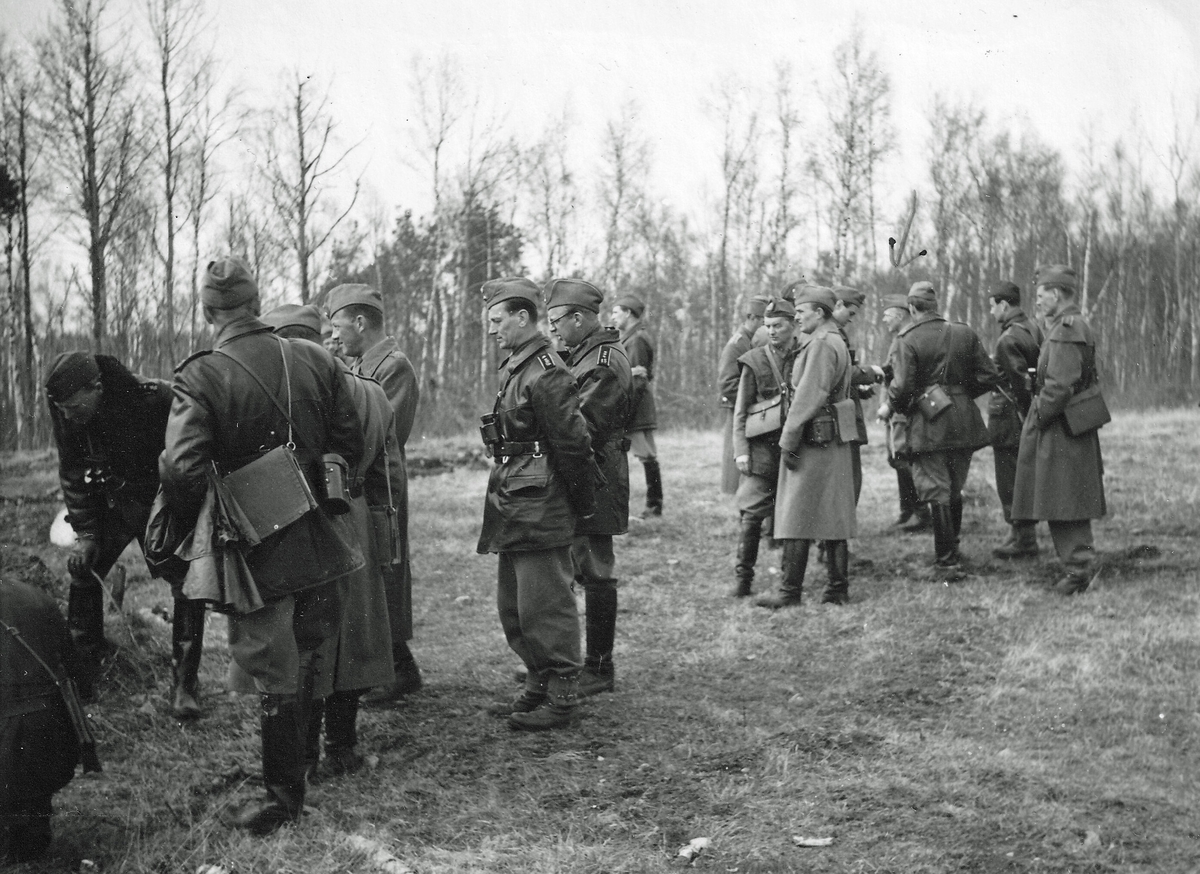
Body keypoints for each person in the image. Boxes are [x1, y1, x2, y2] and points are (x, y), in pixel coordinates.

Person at [160, 258, 364, 834]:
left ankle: (282, 797)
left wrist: (202, 519)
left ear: (207, 313)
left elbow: (181, 468)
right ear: (255, 302)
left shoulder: (200, 375)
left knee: (272, 664)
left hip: (254, 543)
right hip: (320, 533)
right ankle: (302, 765)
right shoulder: (317, 358)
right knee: (311, 648)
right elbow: (348, 442)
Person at [261, 304, 396, 779]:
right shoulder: (372, 393)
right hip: (354, 521)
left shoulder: (279, 393)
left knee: (303, 641)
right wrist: (384, 539)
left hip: (293, 522)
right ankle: (342, 746)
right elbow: (386, 474)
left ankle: (301, 754)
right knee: (353, 640)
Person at [45, 351, 207, 715]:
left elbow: (187, 457)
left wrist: (181, 513)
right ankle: (82, 681)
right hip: (109, 505)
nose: (68, 415)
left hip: (159, 503)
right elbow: (72, 472)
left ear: (97, 388)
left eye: (73, 406)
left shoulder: (154, 399)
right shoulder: (65, 408)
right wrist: (86, 534)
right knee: (84, 572)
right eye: (62, 408)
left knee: (185, 582)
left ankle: (185, 686)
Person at [478, 277, 596, 731]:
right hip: (514, 498)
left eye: (496, 320)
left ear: (522, 317)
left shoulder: (545, 369)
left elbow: (573, 442)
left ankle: (563, 694)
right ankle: (538, 681)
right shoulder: (518, 365)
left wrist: (578, 504)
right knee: (515, 606)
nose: (491, 330)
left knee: (546, 604)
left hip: (540, 503)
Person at [327, 284, 422, 705]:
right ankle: (393, 663)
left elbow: (384, 432)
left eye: (338, 325)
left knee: (387, 571)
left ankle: (399, 669)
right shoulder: (364, 363)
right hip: (368, 481)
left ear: (361, 322)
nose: (335, 336)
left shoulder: (392, 366)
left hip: (382, 484)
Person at [545, 278, 633, 697]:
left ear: (578, 318)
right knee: (581, 565)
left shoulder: (602, 360)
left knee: (596, 569)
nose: (553, 331)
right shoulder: (583, 354)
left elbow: (584, 424)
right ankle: (580, 663)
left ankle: (600, 667)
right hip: (586, 473)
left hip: (597, 476)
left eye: (556, 322)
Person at [880, 281, 999, 568]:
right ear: (934, 306)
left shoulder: (907, 339)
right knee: (953, 486)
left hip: (928, 423)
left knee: (936, 488)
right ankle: (953, 550)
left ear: (911, 307)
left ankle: (946, 560)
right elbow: (988, 376)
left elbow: (902, 387)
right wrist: (959, 394)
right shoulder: (964, 332)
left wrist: (898, 407)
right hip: (964, 420)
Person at [756, 286, 856, 608]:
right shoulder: (830, 339)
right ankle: (836, 589)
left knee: (796, 513)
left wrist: (788, 440)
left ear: (820, 312)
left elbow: (808, 396)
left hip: (814, 437)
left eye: (801, 311)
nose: (796, 317)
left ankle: (790, 593)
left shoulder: (822, 344)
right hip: (829, 437)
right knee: (833, 513)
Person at [1012, 265, 1107, 595]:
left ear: (1056, 294)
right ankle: (1079, 565)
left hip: (1061, 428)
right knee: (1066, 498)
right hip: (1068, 426)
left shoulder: (1066, 329)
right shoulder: (1068, 326)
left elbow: (1060, 386)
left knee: (1065, 499)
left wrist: (1037, 416)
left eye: (1040, 296)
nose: (1037, 302)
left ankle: (1079, 571)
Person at [0, 579, 91, 862]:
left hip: (10, 742)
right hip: (56, 736)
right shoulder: (36, 595)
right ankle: (29, 836)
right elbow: (77, 673)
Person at [731, 299, 799, 598]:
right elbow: (741, 411)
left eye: (778, 325)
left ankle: (788, 582)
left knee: (794, 513)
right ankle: (743, 580)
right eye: (767, 326)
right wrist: (741, 450)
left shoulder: (805, 355)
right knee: (751, 512)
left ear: (793, 325)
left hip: (797, 447)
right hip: (762, 448)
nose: (771, 331)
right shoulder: (754, 360)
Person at [986, 281, 1044, 559]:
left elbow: (1019, 383)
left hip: (1009, 419)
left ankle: (1024, 540)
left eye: (992, 305)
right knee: (1021, 476)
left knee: (1009, 479)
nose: (991, 311)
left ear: (1004, 305)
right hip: (1024, 416)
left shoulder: (1008, 338)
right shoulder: (1032, 328)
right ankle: (1018, 534)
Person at [878, 294, 929, 531]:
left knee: (902, 458)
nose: (884, 320)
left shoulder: (907, 338)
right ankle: (907, 510)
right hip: (897, 408)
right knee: (896, 458)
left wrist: (889, 405)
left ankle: (920, 512)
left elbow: (903, 380)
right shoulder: (901, 337)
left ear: (899, 315)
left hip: (903, 409)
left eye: (887, 315)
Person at [611, 293, 662, 518]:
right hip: (634, 405)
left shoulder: (636, 340)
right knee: (646, 456)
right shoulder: (629, 338)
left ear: (628, 313)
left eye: (615, 312)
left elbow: (638, 380)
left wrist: (624, 410)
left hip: (636, 407)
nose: (612, 317)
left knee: (646, 456)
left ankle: (654, 505)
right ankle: (654, 505)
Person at [718, 296, 770, 494]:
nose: (766, 327)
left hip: (752, 411)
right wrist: (753, 396)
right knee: (738, 463)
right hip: (739, 410)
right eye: (763, 321)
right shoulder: (737, 344)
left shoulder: (752, 340)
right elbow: (727, 384)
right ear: (751, 318)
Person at [831, 286, 877, 504]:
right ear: (838, 305)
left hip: (845, 411)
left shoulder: (836, 332)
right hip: (840, 414)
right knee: (848, 472)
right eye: (850, 313)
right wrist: (871, 373)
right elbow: (840, 371)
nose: (851, 320)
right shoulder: (830, 335)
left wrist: (859, 388)